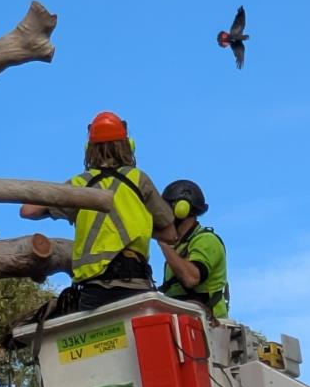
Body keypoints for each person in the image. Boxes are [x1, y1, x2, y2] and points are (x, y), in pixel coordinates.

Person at [20, 111, 177, 312]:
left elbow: (28, 211)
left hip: (94, 290)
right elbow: (170, 234)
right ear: (128, 146)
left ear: (89, 150)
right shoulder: (138, 179)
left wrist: (57, 195)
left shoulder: (80, 184)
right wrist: (140, 224)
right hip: (135, 283)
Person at [157, 179, 229, 318]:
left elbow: (191, 278)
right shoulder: (178, 248)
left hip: (210, 326)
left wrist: (163, 243)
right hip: (187, 321)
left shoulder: (206, 240)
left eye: (166, 208)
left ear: (181, 209)